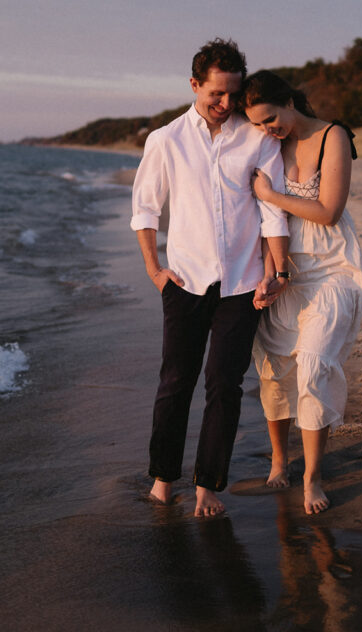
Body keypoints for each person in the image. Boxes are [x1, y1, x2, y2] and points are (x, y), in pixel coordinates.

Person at [131, 40, 290, 518]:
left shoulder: (256, 138)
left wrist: (276, 270)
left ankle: (208, 485)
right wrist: (154, 270)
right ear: (195, 85)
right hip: (183, 281)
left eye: (232, 95)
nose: (225, 105)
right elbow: (145, 209)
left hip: (242, 284)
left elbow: (273, 210)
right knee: (175, 382)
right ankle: (163, 478)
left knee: (224, 384)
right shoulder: (166, 139)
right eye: (216, 94)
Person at [241, 70, 362, 515]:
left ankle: (312, 476)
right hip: (282, 272)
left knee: (313, 365)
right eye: (256, 123)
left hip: (331, 271)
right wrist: (269, 272)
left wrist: (271, 195)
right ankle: (279, 459)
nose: (265, 129)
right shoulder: (266, 145)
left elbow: (329, 212)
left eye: (270, 118)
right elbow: (257, 218)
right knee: (274, 371)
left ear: (289, 101)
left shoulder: (333, 136)